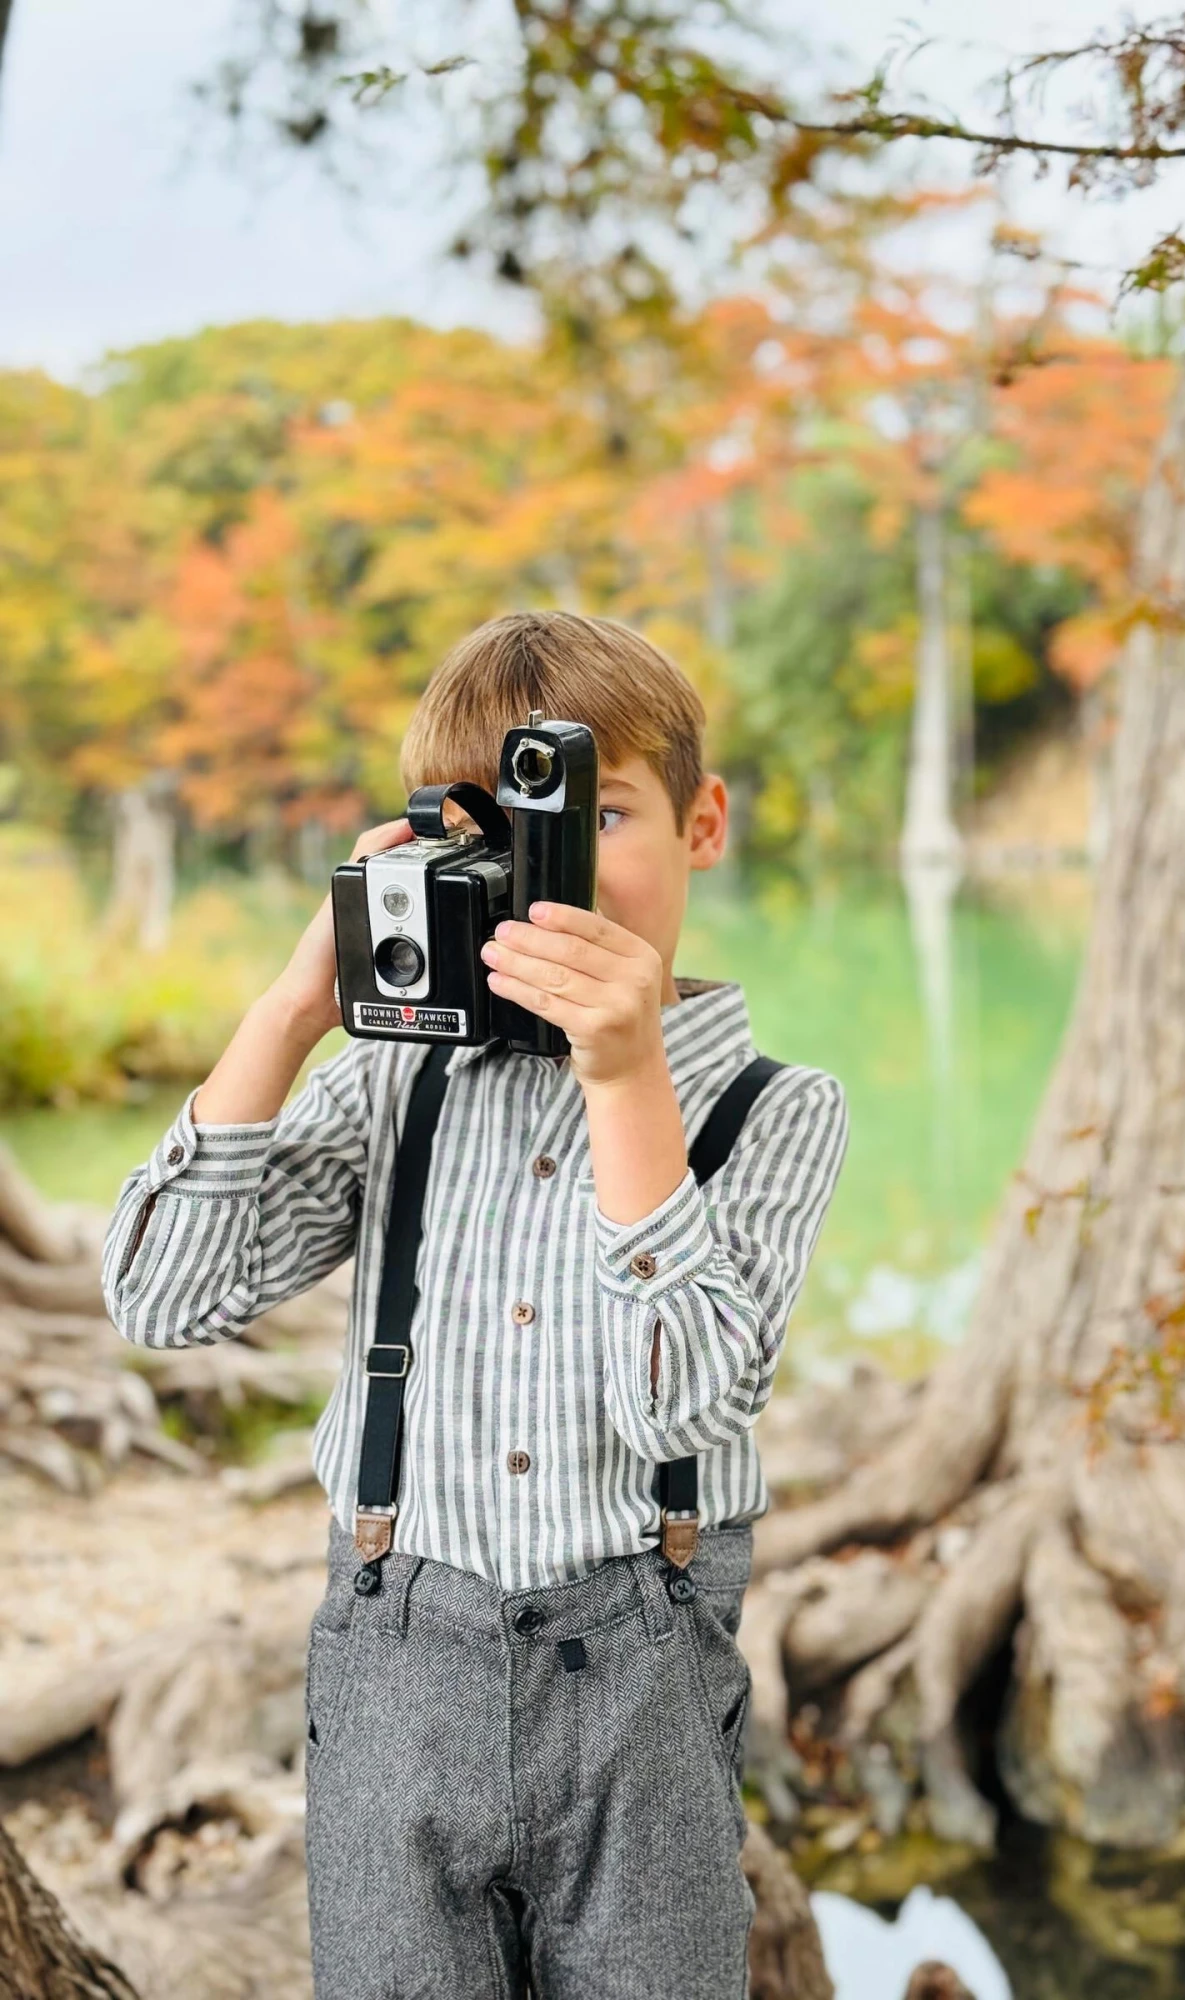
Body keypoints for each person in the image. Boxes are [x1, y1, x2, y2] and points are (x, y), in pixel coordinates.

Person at [101, 611, 849, 2000]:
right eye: (495, 827)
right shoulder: (399, 1079)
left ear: (703, 823)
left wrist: (626, 1082)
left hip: (641, 1659)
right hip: (396, 1648)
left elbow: (683, 1399)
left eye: (596, 812)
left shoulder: (772, 1109)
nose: (543, 870)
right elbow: (161, 1294)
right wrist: (288, 1013)